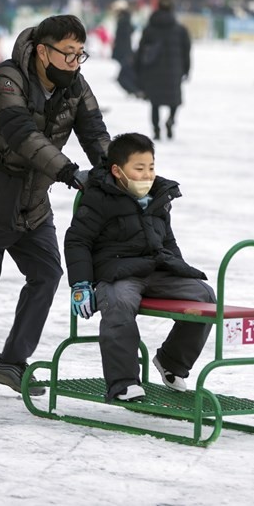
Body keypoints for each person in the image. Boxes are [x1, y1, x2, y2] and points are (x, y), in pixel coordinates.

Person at [0, 14, 111, 400]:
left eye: (80, 54)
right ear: (42, 51)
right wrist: (69, 172)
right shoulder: (6, 79)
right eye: (67, 53)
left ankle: (12, 362)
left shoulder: (75, 86)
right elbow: (23, 135)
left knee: (47, 273)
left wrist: (115, 172)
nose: (74, 62)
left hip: (32, 203)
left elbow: (95, 133)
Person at [64, 132, 215, 402]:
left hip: (155, 269)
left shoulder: (158, 196)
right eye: (139, 168)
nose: (147, 175)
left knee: (204, 296)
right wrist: (81, 283)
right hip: (116, 273)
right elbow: (78, 240)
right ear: (117, 171)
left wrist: (178, 267)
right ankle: (123, 382)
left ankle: (172, 360)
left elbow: (167, 240)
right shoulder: (99, 198)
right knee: (119, 303)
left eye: (151, 168)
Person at [134, 0, 191, 140]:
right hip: (174, 71)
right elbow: (186, 52)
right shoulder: (181, 30)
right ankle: (171, 120)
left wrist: (138, 70)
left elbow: (140, 51)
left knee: (155, 102)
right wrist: (186, 70)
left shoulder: (149, 29)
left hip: (153, 71)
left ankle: (156, 130)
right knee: (174, 100)